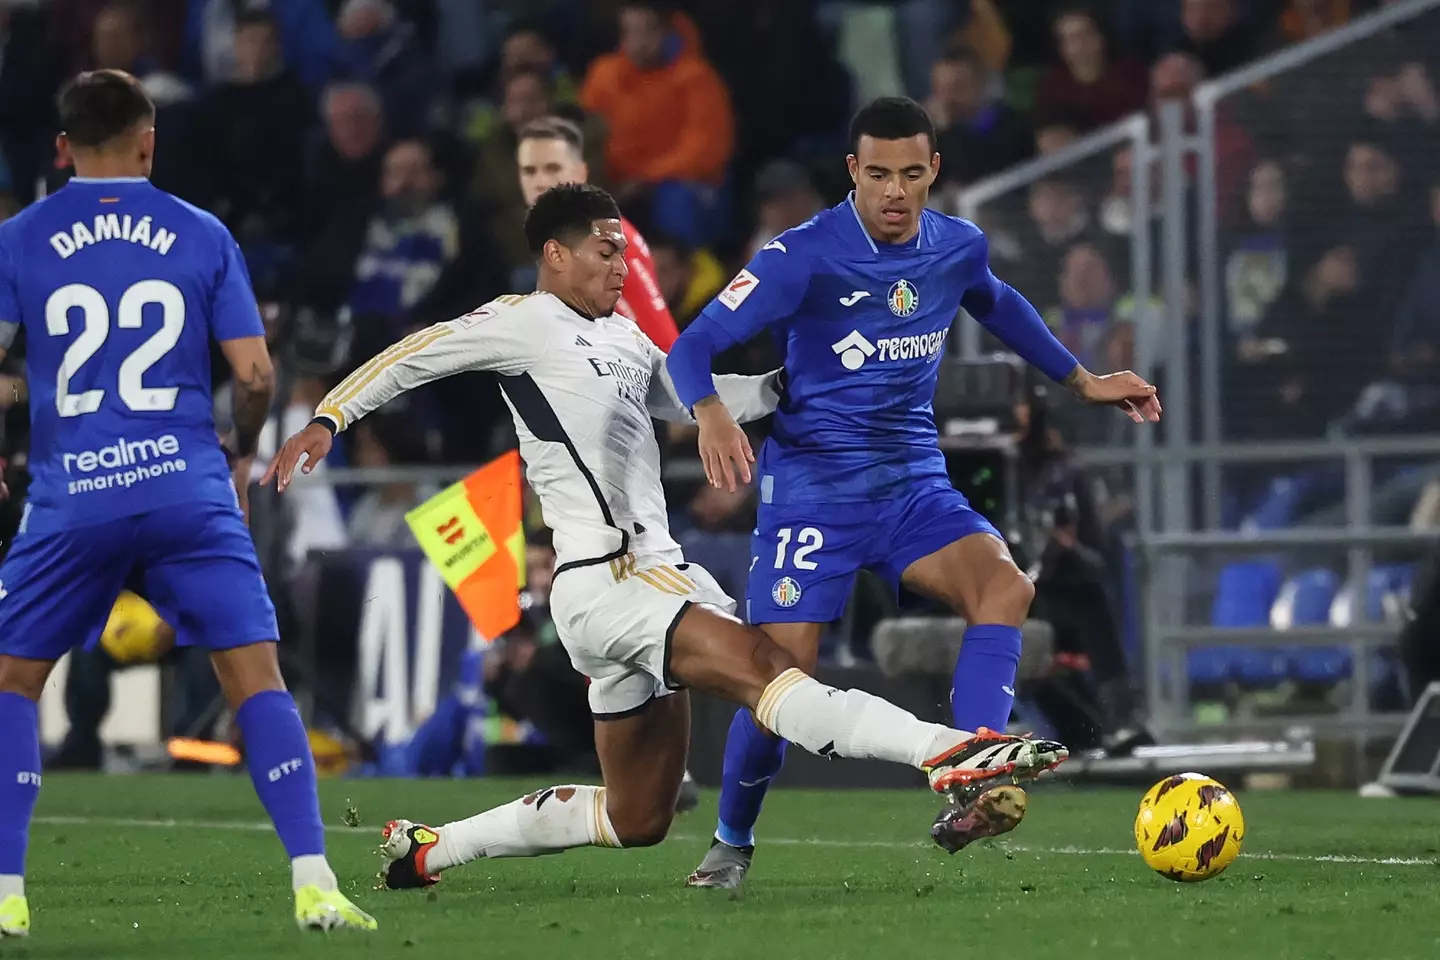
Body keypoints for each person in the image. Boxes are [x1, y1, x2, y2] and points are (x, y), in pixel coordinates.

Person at [263, 183, 1067, 890]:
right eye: (606, 251)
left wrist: (799, 383)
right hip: (616, 577)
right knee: (769, 670)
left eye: (625, 251)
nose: (621, 266)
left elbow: (701, 400)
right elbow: (416, 355)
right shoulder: (523, 322)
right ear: (554, 254)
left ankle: (430, 851)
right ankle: (949, 750)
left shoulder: (623, 339)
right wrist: (330, 416)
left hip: (625, 591)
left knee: (637, 815)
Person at [665, 96, 1161, 889]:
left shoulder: (956, 247)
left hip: (909, 484)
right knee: (780, 679)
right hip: (814, 493)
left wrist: (1082, 379)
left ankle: (974, 773)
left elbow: (999, 303)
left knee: (1003, 586)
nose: (895, 191)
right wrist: (714, 415)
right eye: (879, 174)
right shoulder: (800, 255)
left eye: (911, 174)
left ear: (934, 171)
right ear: (854, 172)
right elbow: (691, 349)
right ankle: (731, 841)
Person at [0, 69, 375, 936]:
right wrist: (240, 448)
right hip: (186, 488)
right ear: (148, 141)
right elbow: (254, 374)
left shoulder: (19, 238)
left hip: (74, 496)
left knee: (14, 684)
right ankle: (315, 881)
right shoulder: (200, 234)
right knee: (255, 682)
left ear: (61, 148)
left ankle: (8, 892)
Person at [515, 115, 678, 349]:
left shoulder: (614, 240)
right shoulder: (552, 239)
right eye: (529, 171)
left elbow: (663, 343)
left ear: (580, 173)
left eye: (553, 169)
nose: (540, 181)